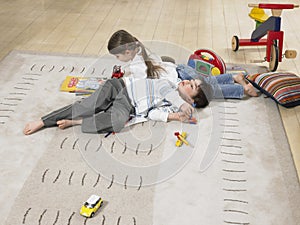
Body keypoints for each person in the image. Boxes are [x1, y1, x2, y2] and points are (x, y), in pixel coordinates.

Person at [23, 77, 212, 135]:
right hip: (119, 88)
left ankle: (77, 122)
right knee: (89, 105)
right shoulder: (169, 84)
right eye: (190, 81)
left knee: (118, 121)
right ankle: (43, 121)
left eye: (192, 87)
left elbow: (152, 113)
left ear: (190, 100)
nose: (187, 82)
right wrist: (181, 104)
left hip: (127, 106)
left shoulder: (171, 105)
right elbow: (165, 90)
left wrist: (174, 117)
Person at [107, 30, 179, 83]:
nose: (117, 58)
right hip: (166, 69)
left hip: (166, 80)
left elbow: (140, 85)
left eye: (117, 56)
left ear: (127, 52)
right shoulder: (138, 47)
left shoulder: (136, 67)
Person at [176, 64, 258, 99]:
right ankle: (234, 77)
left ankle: (243, 89)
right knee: (205, 83)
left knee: (205, 91)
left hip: (179, 72)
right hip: (179, 71)